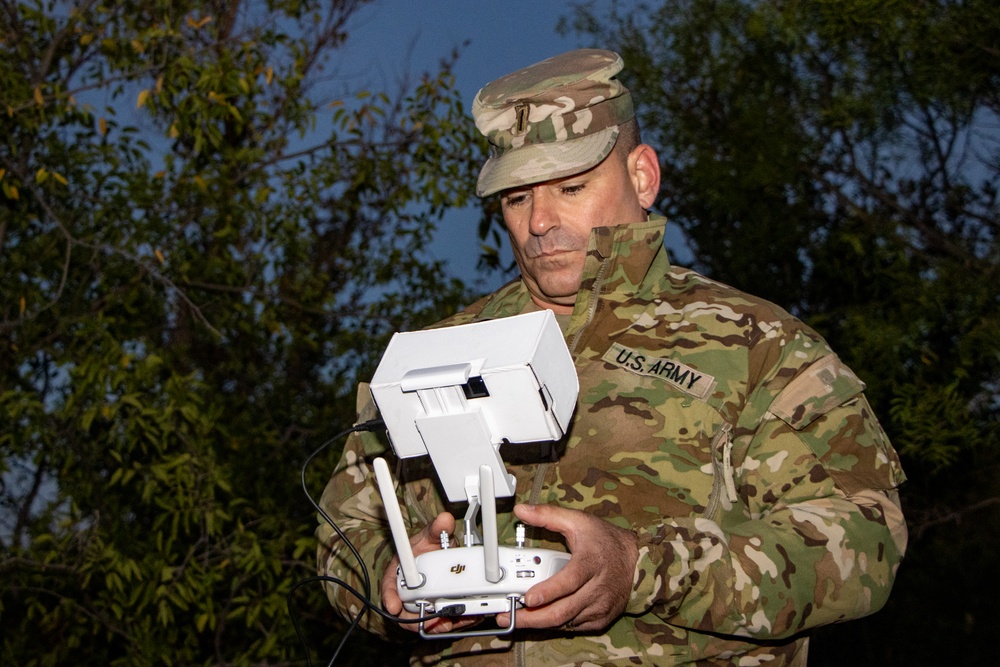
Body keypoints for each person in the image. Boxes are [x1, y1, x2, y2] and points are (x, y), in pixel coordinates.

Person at [316, 48, 907, 666]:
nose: (540, 221)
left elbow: (865, 542)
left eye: (571, 187)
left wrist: (642, 568)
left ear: (643, 176)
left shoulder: (756, 344)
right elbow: (343, 530)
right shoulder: (435, 353)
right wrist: (388, 577)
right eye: (517, 198)